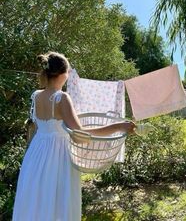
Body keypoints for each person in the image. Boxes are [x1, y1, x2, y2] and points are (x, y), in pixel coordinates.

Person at [12, 51, 136, 221]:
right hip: (57, 157)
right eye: (68, 71)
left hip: (36, 155)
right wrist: (118, 126)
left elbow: (35, 129)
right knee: (58, 203)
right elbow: (80, 135)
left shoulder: (36, 96)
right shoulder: (61, 98)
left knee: (37, 200)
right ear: (62, 74)